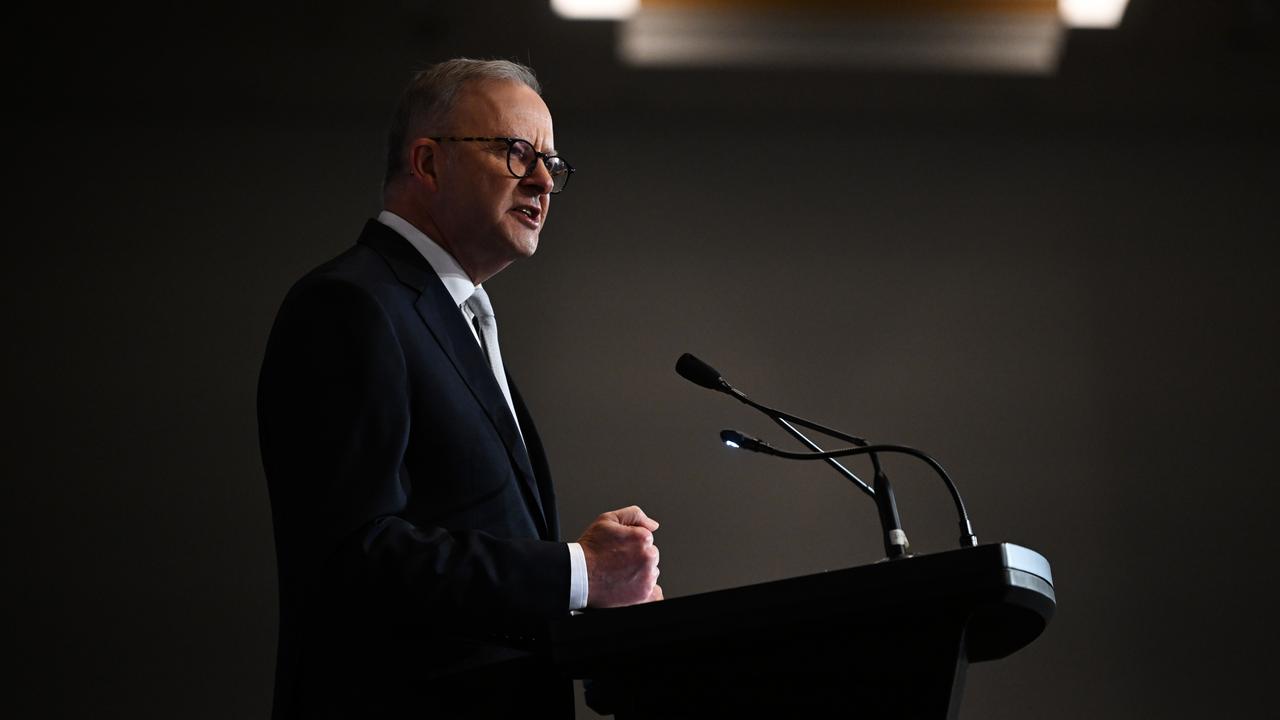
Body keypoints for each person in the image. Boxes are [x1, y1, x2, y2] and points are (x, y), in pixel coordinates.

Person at [257, 58, 662, 719]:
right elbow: (354, 558)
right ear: (427, 162)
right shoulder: (350, 306)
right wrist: (577, 571)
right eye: (515, 152)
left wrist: (597, 591)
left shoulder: (456, 314)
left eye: (551, 164)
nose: (541, 181)